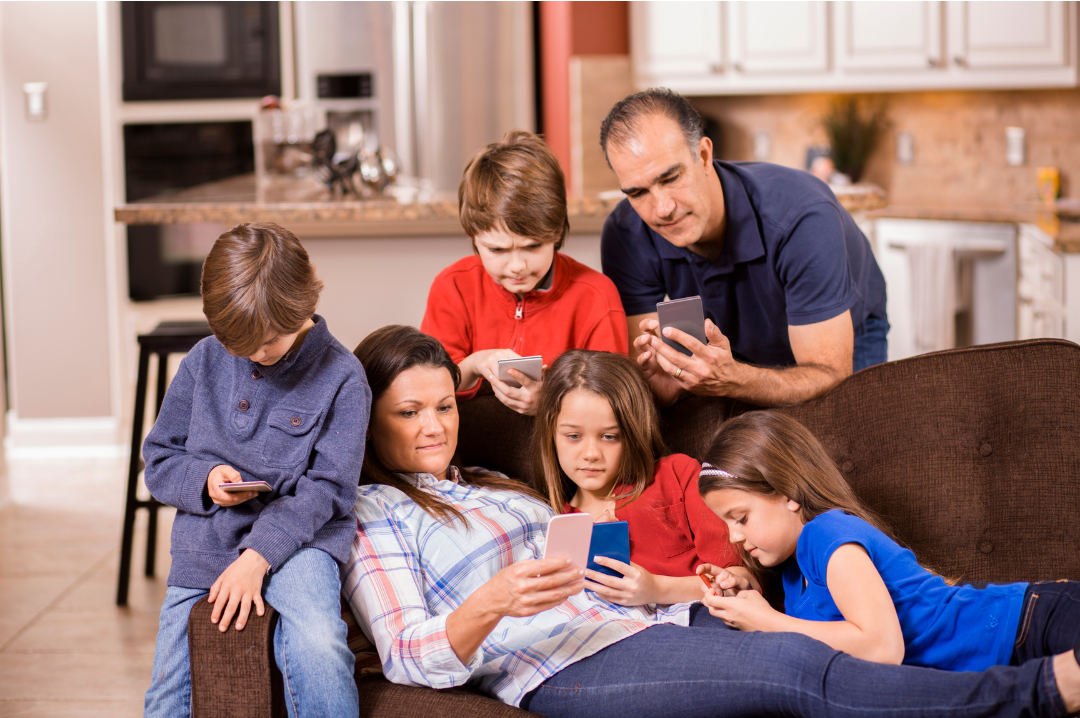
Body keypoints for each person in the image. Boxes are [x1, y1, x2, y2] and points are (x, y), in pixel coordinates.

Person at [341, 324, 1080, 718]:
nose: (436, 427)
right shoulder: (376, 517)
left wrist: (688, 589)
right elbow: (408, 652)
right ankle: (1039, 694)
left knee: (814, 634)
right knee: (793, 667)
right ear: (363, 421)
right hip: (562, 660)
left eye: (444, 406)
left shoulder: (497, 488)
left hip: (641, 622)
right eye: (407, 413)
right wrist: (492, 600)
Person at [143, 223, 370, 718]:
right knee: (167, 688)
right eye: (237, 345)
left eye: (269, 341)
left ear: (305, 300)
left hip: (303, 543)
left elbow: (328, 491)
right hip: (206, 540)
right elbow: (160, 460)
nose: (255, 355)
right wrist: (204, 481)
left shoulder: (344, 377)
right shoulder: (203, 361)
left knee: (319, 645)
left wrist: (257, 557)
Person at [696, 410, 1080, 672]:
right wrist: (752, 594)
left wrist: (767, 622)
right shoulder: (794, 575)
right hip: (1012, 649)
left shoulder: (824, 533)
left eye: (741, 517)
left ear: (788, 492)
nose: (734, 536)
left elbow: (882, 648)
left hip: (1024, 625)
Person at [598, 88, 889, 407]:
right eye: (638, 193)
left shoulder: (802, 217)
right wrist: (662, 386)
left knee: (838, 439)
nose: (663, 208)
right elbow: (646, 365)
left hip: (835, 346)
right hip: (730, 352)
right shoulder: (625, 234)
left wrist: (735, 379)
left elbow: (828, 374)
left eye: (671, 178)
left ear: (704, 156)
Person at [421, 129, 628, 416]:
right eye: (497, 250)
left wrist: (550, 403)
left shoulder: (596, 297)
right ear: (473, 236)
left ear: (556, 232)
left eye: (532, 246)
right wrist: (476, 363)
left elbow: (615, 403)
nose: (517, 266)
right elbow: (427, 388)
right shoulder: (452, 286)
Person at [532, 349, 750, 605]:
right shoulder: (559, 524)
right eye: (573, 436)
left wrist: (658, 588)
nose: (591, 454)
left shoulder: (676, 476)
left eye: (609, 436)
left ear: (633, 434)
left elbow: (741, 579)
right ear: (551, 436)